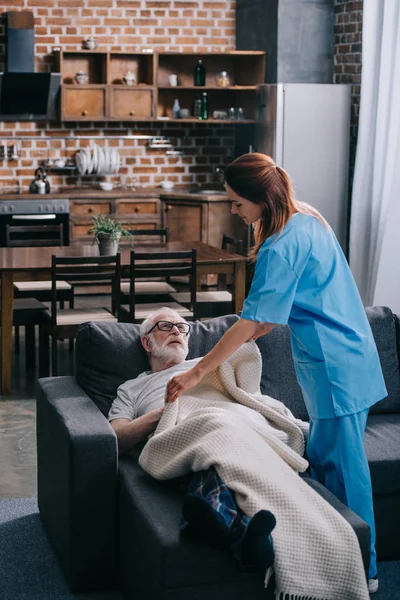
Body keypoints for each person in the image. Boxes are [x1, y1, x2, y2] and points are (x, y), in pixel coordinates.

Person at [165, 152, 387, 595]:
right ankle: (326, 549)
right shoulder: (308, 219)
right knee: (321, 461)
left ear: (260, 198)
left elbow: (251, 321)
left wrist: (197, 373)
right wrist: (251, 328)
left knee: (345, 470)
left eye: (236, 202)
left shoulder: (282, 243)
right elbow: (271, 313)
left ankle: (365, 567)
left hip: (337, 365)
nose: (234, 211)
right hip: (340, 357)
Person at [108, 307, 276, 570]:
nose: (176, 330)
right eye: (165, 326)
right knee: (213, 434)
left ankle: (229, 526)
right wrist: (164, 412)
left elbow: (245, 383)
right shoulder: (131, 389)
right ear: (146, 343)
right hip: (180, 439)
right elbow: (114, 439)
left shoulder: (206, 365)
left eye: (182, 328)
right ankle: (243, 533)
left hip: (228, 426)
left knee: (220, 429)